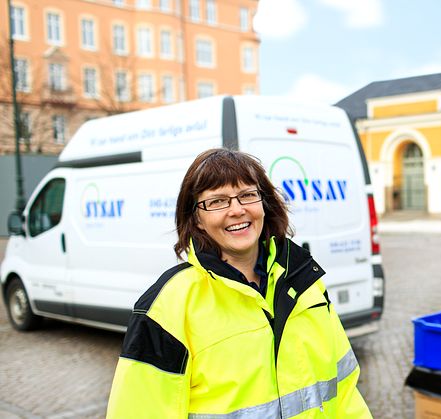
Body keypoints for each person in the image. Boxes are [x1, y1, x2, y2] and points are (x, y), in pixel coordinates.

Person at [107, 148, 372, 418]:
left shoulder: (305, 284)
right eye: (217, 201)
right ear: (197, 219)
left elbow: (346, 389)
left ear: (264, 204)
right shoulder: (167, 308)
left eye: (247, 195)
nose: (237, 210)